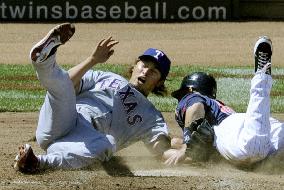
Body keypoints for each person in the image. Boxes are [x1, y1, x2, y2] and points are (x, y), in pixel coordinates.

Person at [13, 23, 184, 173]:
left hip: (83, 142)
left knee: (107, 144)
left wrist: (187, 152)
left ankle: (35, 162)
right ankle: (43, 60)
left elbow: (160, 150)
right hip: (64, 118)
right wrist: (93, 59)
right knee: (62, 89)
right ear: (134, 66)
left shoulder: (152, 117)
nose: (145, 71)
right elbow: (67, 83)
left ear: (159, 82)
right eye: (144, 65)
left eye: (153, 71)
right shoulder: (107, 77)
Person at [170, 36, 284, 167]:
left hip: (234, 132)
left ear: (190, 89)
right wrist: (173, 141)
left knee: (254, 150)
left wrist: (188, 148)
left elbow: (195, 107)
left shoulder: (191, 96)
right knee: (263, 151)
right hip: (257, 125)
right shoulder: (217, 106)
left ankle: (261, 74)